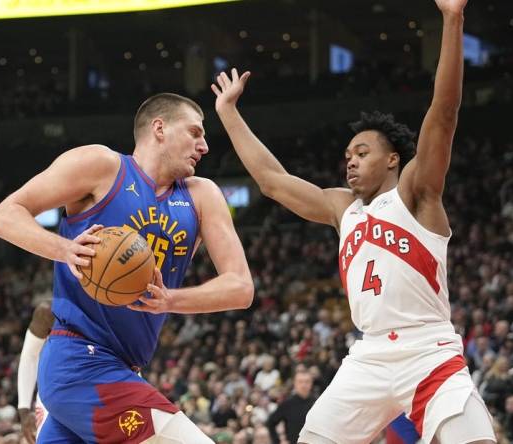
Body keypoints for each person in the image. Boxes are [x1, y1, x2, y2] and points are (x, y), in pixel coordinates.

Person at [212, 0, 495, 442]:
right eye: (347, 156)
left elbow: (443, 111)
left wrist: (452, 19)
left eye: (362, 153)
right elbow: (271, 181)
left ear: (393, 159)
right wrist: (229, 114)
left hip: (428, 348)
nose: (351, 162)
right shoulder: (342, 208)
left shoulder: (417, 193)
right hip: (368, 354)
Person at [0, 92, 253, 443]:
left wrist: (169, 300)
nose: (204, 146)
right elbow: (3, 216)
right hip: (78, 360)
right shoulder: (100, 165)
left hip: (121, 369)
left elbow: (240, 287)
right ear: (160, 128)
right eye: (195, 133)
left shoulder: (202, 196)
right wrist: (66, 249)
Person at [17, 301, 53, 444]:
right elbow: (30, 357)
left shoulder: (119, 305)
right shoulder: (49, 311)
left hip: (96, 394)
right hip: (52, 399)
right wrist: (24, 410)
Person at [266, 371, 315, 444]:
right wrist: (278, 441)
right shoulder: (287, 404)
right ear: (295, 383)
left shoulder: (317, 403)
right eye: (300, 382)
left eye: (307, 382)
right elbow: (270, 423)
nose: (304, 385)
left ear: (311, 383)